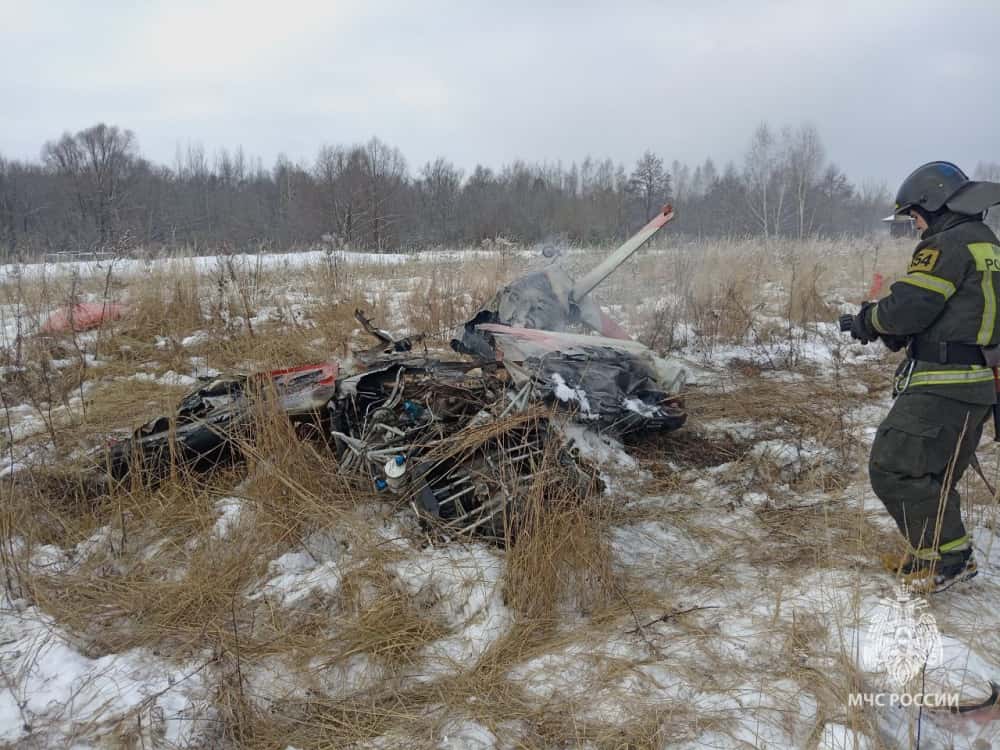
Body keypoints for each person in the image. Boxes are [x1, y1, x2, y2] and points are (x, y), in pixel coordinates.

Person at [847, 161, 1000, 593]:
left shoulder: (947, 244)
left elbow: (910, 307)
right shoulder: (988, 244)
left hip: (944, 383)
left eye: (915, 215)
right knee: (934, 474)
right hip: (979, 383)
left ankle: (949, 560)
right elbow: (959, 311)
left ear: (934, 204)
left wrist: (870, 319)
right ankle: (935, 555)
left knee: (894, 467)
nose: (915, 224)